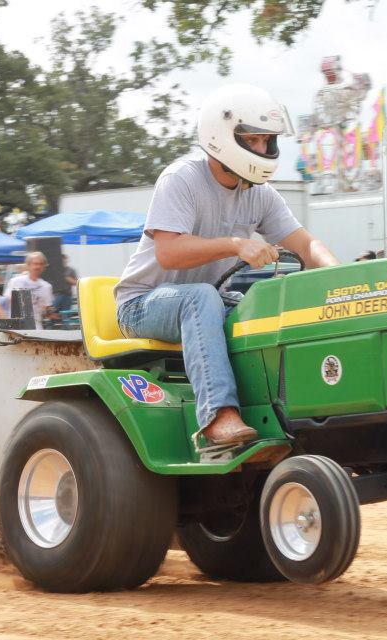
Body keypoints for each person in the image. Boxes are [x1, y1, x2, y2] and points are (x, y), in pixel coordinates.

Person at [114, 83, 339, 451]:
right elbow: (168, 253)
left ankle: (291, 413)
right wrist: (236, 245)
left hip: (207, 302)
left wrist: (338, 276)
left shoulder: (260, 193)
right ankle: (218, 417)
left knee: (265, 304)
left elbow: (305, 245)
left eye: (268, 141)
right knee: (201, 298)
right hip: (141, 304)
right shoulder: (182, 178)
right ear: (223, 136)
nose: (264, 150)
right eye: (254, 140)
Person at [5, 252, 54, 329]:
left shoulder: (46, 286)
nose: (38, 266)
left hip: (36, 327)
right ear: (28, 265)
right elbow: (7, 302)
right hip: (17, 326)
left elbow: (47, 312)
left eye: (41, 264)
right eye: (35, 264)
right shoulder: (16, 281)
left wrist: (49, 312)